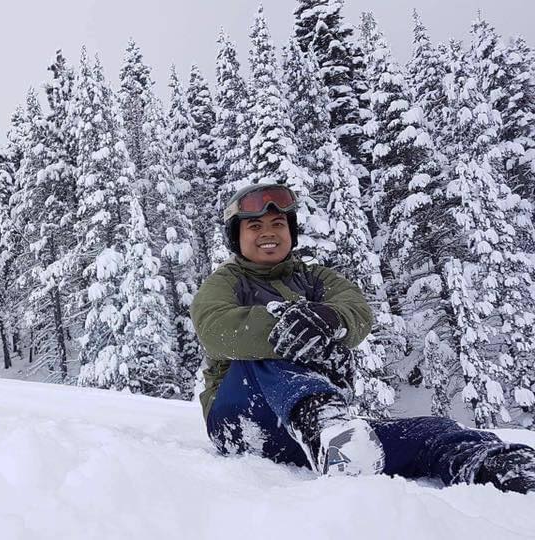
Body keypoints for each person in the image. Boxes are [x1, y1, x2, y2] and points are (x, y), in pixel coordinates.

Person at [190, 183, 535, 493]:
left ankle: (499, 465)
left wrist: (332, 318)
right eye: (255, 226)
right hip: (240, 420)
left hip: (318, 437)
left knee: (431, 432)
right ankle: (324, 423)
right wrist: (291, 326)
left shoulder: (315, 278)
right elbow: (215, 328)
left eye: (278, 224)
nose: (269, 233)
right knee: (277, 345)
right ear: (236, 237)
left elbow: (356, 309)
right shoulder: (226, 282)